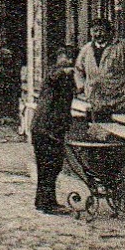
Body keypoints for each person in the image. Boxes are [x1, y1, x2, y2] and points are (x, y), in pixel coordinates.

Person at [31, 46, 76, 215]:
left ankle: (42, 201)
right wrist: (67, 71)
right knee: (51, 165)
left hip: (42, 127)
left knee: (47, 167)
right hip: (48, 128)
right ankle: (47, 204)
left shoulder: (56, 74)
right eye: (66, 57)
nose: (69, 61)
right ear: (60, 58)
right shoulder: (58, 74)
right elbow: (55, 76)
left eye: (72, 58)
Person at [75, 20, 125, 121]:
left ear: (109, 32)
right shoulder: (86, 49)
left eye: (101, 31)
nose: (98, 34)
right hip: (94, 99)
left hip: (116, 100)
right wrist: (81, 87)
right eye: (95, 31)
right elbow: (78, 70)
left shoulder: (121, 47)